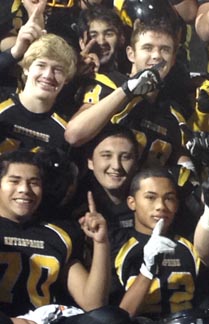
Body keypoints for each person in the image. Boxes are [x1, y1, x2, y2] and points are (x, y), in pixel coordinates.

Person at [65, 18, 190, 168]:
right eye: (148, 48)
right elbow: (74, 135)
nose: (157, 56)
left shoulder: (172, 112)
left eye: (165, 49)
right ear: (131, 54)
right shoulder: (109, 83)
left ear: (173, 59)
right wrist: (126, 91)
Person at [0, 150, 110, 317]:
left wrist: (101, 242)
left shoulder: (57, 235)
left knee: (110, 318)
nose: (24, 189)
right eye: (14, 181)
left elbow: (94, 304)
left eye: (34, 183)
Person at [111, 168, 208, 319]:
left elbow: (207, 304)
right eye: (150, 197)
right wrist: (147, 270)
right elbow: (117, 318)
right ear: (132, 202)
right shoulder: (118, 244)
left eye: (169, 198)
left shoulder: (190, 245)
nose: (161, 206)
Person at [0, 33, 76, 154]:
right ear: (26, 68)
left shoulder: (66, 130)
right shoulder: (2, 104)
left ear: (66, 79)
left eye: (58, 70)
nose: (48, 76)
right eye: (41, 65)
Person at [68, 124, 140, 231]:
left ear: (136, 163)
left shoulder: (145, 204)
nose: (116, 166)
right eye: (106, 155)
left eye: (125, 157)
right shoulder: (74, 205)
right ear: (90, 161)